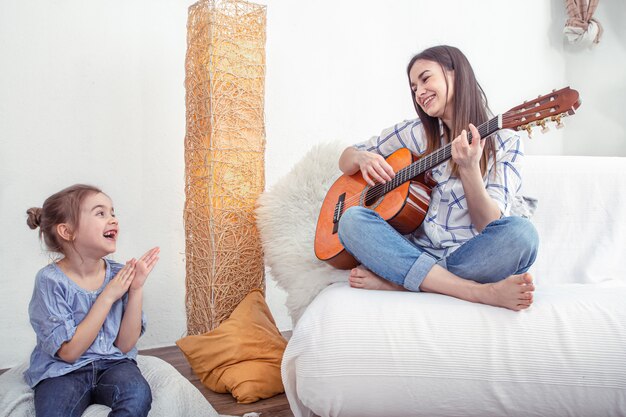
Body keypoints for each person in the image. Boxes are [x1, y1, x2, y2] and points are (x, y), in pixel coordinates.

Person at [337, 45, 538, 311]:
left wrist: (469, 169)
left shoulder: (506, 142)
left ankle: (404, 280)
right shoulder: (415, 133)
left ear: (456, 74)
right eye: (413, 88)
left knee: (523, 235)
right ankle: (476, 292)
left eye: (425, 79)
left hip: (468, 257)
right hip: (415, 249)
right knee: (350, 220)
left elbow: (488, 223)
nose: (419, 92)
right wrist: (362, 159)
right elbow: (346, 157)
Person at [24, 184, 160, 417]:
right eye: (100, 213)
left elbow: (125, 345)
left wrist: (135, 289)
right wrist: (108, 296)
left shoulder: (120, 275)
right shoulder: (50, 281)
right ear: (68, 232)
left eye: (113, 213)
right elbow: (69, 353)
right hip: (62, 372)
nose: (113, 220)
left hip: (113, 364)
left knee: (138, 395)